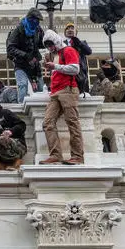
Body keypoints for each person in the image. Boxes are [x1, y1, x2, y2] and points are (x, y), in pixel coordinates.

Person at [38, 30, 83, 166]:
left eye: (51, 45)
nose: (50, 48)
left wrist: (55, 66)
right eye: (47, 46)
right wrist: (51, 65)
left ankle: (77, 156)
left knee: (72, 123)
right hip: (56, 92)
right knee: (47, 122)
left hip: (68, 90)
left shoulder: (68, 50)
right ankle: (55, 155)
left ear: (56, 41)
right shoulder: (55, 54)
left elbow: (75, 69)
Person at [6, 10, 46, 103]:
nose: (36, 23)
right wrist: (25, 55)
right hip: (21, 64)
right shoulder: (18, 30)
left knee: (40, 86)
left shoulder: (38, 30)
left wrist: (49, 40)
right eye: (34, 20)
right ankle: (21, 107)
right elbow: (10, 48)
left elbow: (42, 43)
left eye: (37, 21)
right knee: (23, 85)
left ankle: (41, 107)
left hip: (34, 65)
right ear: (29, 19)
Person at [62, 24, 92, 94]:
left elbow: (88, 52)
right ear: (65, 32)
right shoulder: (61, 44)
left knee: (80, 93)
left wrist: (78, 42)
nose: (70, 30)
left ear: (76, 32)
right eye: (67, 28)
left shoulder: (82, 42)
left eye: (72, 28)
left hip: (79, 73)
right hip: (66, 71)